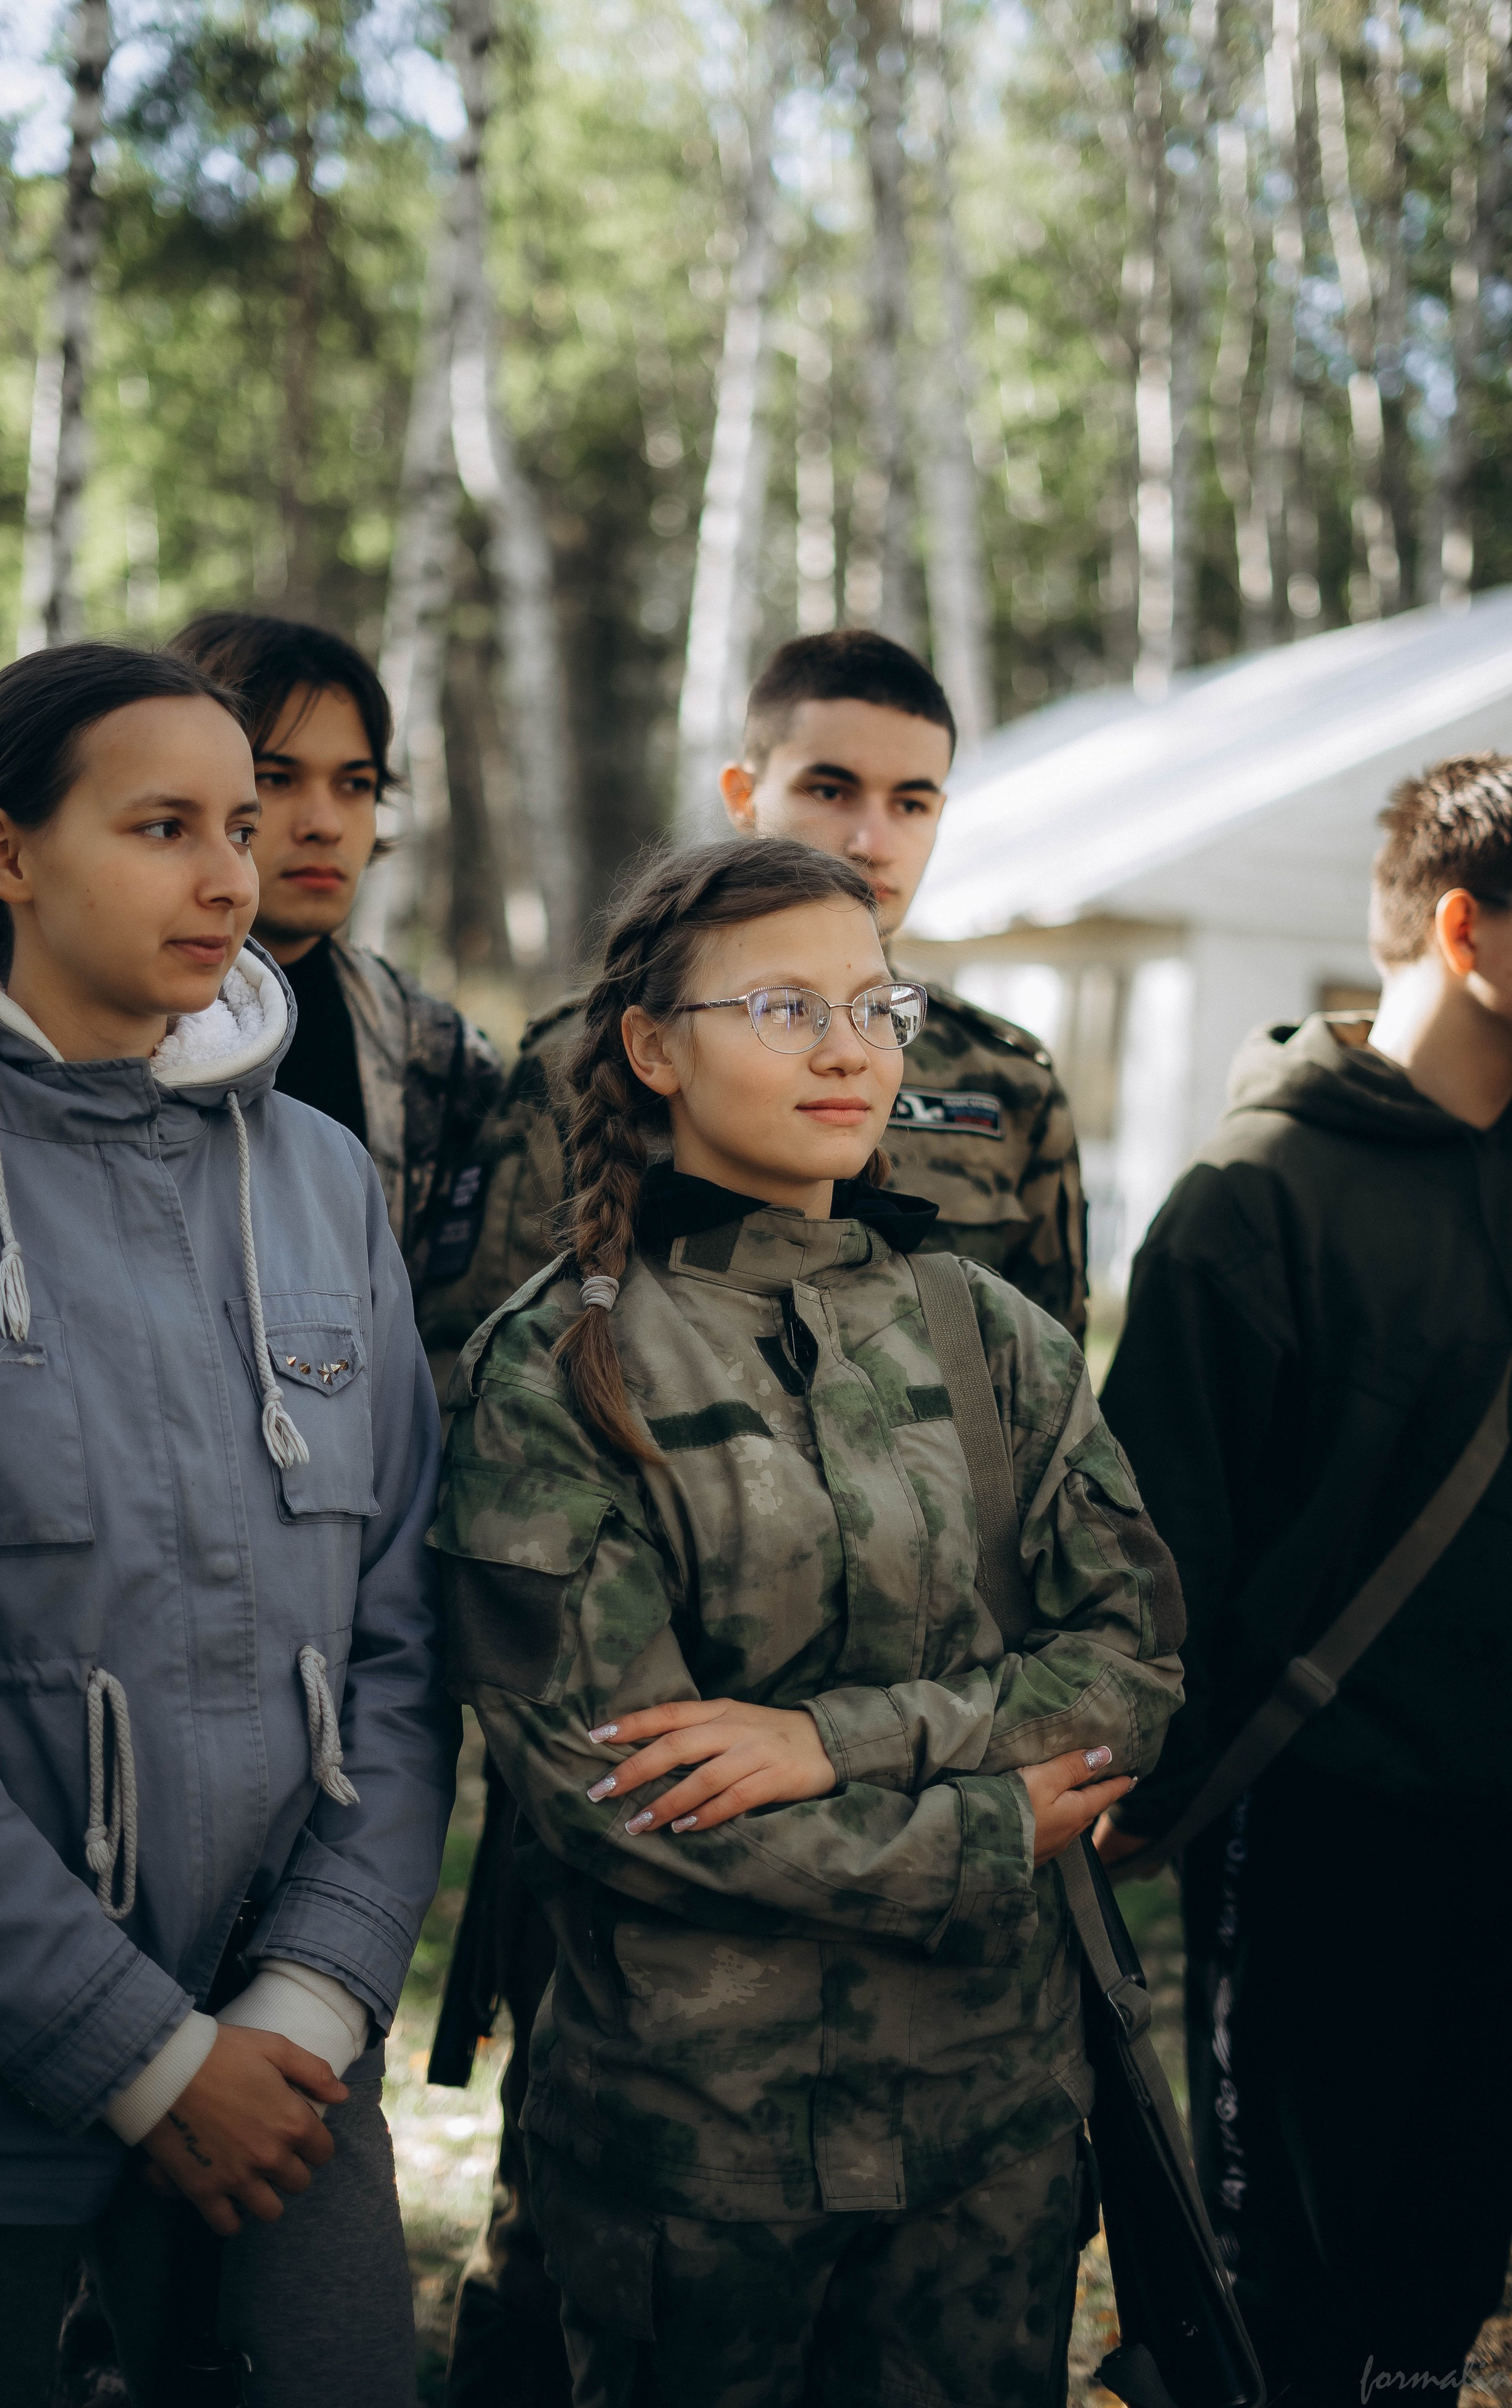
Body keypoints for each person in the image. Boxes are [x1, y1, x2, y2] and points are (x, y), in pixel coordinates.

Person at [436, 836, 1182, 2408]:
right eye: (785, 1005)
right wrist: (992, 1827)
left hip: (987, 2141)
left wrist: (820, 1741)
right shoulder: (561, 1366)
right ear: (650, 1045)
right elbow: (622, 1788)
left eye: (874, 1003)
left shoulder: (989, 1332)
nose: (851, 1047)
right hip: (696, 2152)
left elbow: (1125, 1671)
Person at [0, 642, 456, 2408]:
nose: (235, 873)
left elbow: (400, 1642)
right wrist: (141, 2060)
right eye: (165, 827)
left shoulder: (313, 1181)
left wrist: (303, 2009)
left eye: (244, 823)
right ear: (8, 854)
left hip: (289, 2101)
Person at [1096, 752, 1512, 2402]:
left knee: (1447, 2252)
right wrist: (1140, 1778)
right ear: (1468, 931)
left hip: (1505, 1820)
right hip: (1318, 1822)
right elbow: (1158, 1546)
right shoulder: (1248, 1205)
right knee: (1291, 2282)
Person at [165, 611, 502, 1350]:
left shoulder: (435, 1053)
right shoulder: (83, 1020)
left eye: (355, 784)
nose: (324, 822)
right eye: (276, 777)